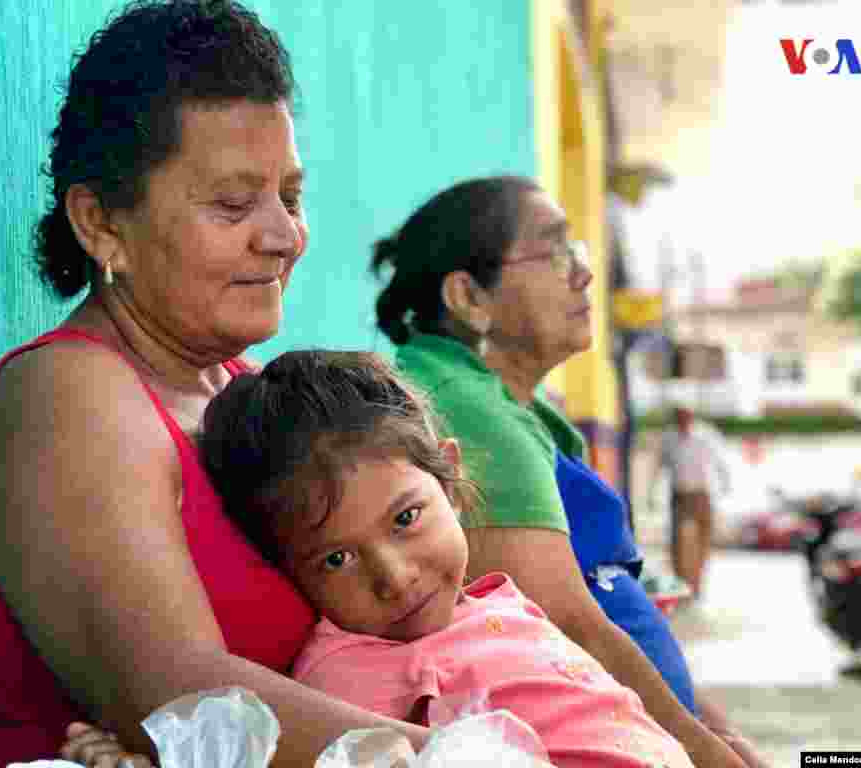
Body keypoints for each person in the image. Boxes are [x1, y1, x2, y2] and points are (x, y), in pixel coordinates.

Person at [0, 4, 430, 766]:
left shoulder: (249, 396)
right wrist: (471, 753)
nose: (283, 235)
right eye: (233, 204)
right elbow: (181, 702)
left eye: (290, 197)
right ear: (100, 225)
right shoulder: (68, 398)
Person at [61, 351, 696, 768]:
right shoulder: (351, 671)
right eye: (336, 558)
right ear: (288, 572)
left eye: (406, 518)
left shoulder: (496, 602)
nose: (393, 578)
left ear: (448, 475)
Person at [370, 176, 764, 768]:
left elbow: (611, 609)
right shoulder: (465, 410)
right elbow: (565, 626)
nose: (582, 274)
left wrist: (711, 726)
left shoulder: (514, 402)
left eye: (576, 252)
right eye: (555, 253)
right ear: (470, 298)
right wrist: (705, 753)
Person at [656, 405, 732, 597]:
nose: (682, 419)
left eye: (685, 414)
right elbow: (661, 466)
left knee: (703, 540)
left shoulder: (706, 435)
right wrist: (654, 495)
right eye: (678, 415)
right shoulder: (669, 437)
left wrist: (725, 486)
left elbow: (721, 461)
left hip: (701, 494)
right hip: (679, 494)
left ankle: (697, 585)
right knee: (678, 543)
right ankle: (681, 584)